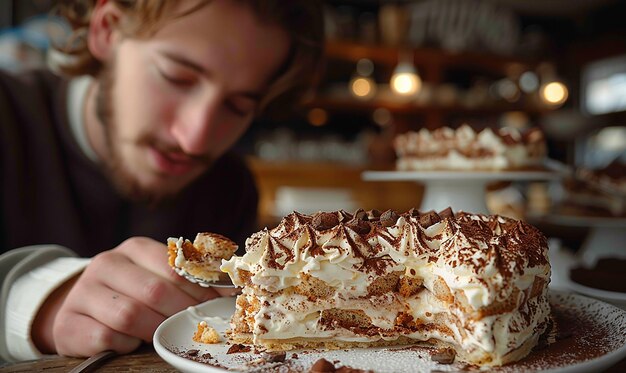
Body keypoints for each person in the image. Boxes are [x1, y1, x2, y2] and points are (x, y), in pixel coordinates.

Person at [0, 0, 324, 362]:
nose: (194, 139)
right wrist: (30, 302)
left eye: (237, 106)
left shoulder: (231, 189)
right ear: (106, 29)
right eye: (177, 77)